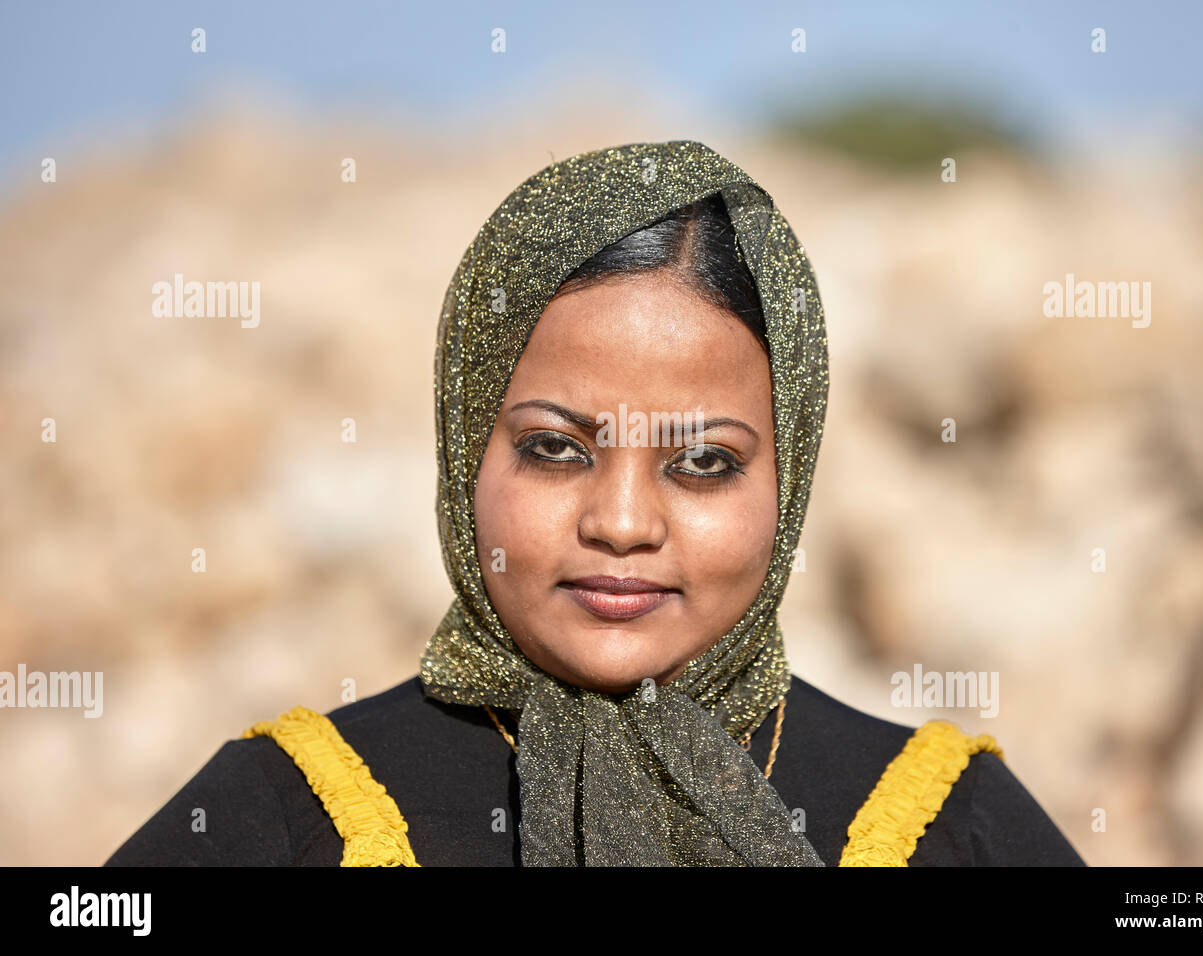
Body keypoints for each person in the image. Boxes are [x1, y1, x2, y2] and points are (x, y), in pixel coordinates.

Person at [105, 140, 1084, 867]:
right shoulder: (285, 815)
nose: (621, 521)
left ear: (788, 481)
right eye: (554, 448)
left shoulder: (947, 824)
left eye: (703, 461)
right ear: (461, 456)